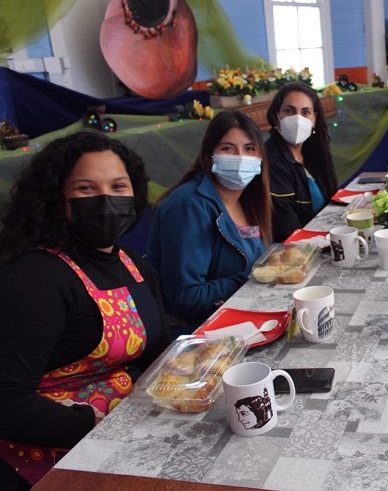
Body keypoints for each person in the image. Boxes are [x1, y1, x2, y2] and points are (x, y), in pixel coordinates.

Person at [0, 131, 171, 489]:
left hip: (123, 428)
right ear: (56, 198)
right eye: (86, 189)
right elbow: (7, 401)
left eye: (118, 186)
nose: (106, 199)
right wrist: (92, 425)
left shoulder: (131, 262)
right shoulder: (38, 276)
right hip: (49, 457)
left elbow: (159, 347)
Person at [148, 111, 271, 334]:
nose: (240, 157)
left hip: (241, 318)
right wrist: (252, 279)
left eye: (249, 148)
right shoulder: (189, 206)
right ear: (208, 156)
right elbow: (186, 297)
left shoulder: (247, 201)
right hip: (199, 333)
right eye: (228, 148)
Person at [265, 82, 338, 242]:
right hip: (297, 250)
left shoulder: (315, 151)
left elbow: (333, 200)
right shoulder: (270, 159)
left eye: (305, 112)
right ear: (276, 116)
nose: (297, 118)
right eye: (289, 110)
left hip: (323, 236)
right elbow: (286, 229)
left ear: (314, 119)